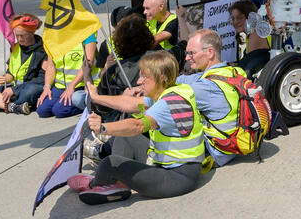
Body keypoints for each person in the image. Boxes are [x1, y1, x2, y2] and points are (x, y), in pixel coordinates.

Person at [70, 51, 206, 203]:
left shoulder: (166, 104)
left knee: (111, 163)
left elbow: (137, 125)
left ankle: (97, 184)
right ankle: (115, 180)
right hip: (180, 169)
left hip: (177, 178)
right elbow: (130, 104)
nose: (140, 81)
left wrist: (102, 128)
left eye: (144, 76)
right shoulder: (174, 90)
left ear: (161, 77)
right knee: (125, 138)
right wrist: (97, 98)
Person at [180, 28, 249, 168]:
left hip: (219, 151)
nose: (187, 58)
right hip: (237, 140)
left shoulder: (205, 87)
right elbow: (185, 80)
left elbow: (169, 96)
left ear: (210, 52)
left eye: (191, 53)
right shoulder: (234, 71)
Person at [0, 14, 48, 114]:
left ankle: (0, 105)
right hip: (13, 88)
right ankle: (13, 106)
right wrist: (8, 77)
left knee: (32, 91)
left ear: (32, 32)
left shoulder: (43, 50)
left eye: (22, 36)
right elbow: (10, 70)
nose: (19, 39)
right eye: (17, 35)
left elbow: (42, 80)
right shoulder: (14, 48)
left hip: (27, 88)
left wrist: (15, 90)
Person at [36, 33, 96, 118]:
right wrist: (46, 87)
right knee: (42, 110)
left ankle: (89, 105)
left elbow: (88, 63)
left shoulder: (87, 34)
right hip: (60, 87)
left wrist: (72, 86)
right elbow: (50, 66)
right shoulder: (53, 39)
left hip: (80, 85)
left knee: (60, 111)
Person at [229, 0, 272, 76]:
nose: (235, 22)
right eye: (233, 18)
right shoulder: (253, 34)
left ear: (251, 18)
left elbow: (250, 69)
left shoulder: (256, 35)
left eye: (239, 18)